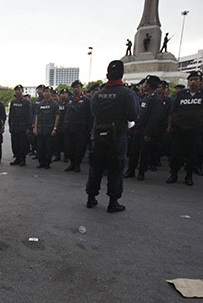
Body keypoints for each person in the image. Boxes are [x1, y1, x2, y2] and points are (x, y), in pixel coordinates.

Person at [85, 60, 138, 212]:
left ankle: (91, 198)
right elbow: (133, 115)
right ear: (122, 75)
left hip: (99, 135)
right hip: (117, 136)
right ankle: (113, 201)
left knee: (96, 168)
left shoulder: (98, 95)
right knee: (116, 169)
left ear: (107, 75)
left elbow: (93, 113)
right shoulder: (128, 94)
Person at [166, 71, 203, 186]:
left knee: (192, 154)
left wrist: (197, 122)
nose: (193, 82)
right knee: (176, 153)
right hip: (180, 129)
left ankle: (189, 176)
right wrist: (178, 124)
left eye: (196, 79)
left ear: (200, 82)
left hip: (195, 130)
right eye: (191, 80)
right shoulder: (182, 94)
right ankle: (174, 174)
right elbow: (174, 111)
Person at [126, 75, 163, 181]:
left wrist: (148, 133)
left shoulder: (156, 100)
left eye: (146, 84)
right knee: (134, 151)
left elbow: (154, 118)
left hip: (146, 131)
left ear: (150, 85)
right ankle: (131, 170)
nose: (144, 86)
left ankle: (141, 172)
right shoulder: (145, 98)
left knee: (145, 153)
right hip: (138, 129)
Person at [63, 80, 92, 173]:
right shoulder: (69, 100)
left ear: (81, 88)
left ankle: (77, 164)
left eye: (78, 87)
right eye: (74, 87)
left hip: (81, 128)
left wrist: (89, 129)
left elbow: (89, 115)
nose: (76, 89)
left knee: (80, 147)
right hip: (69, 127)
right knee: (69, 146)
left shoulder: (86, 100)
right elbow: (65, 114)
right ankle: (72, 163)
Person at [33, 86, 59, 169]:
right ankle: (41, 162)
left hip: (49, 129)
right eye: (45, 91)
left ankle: (47, 163)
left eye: (48, 91)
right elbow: (37, 116)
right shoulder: (40, 104)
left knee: (49, 147)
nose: (46, 93)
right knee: (40, 147)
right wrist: (36, 128)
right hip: (41, 129)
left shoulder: (54, 104)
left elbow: (57, 116)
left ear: (51, 93)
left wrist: (55, 128)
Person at [8, 85, 32, 166]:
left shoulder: (26, 102)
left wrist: (28, 127)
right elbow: (11, 115)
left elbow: (29, 115)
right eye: (16, 90)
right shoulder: (13, 102)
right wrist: (10, 125)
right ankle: (17, 158)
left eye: (19, 90)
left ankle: (23, 159)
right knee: (15, 144)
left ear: (22, 91)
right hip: (14, 126)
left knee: (22, 144)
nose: (18, 91)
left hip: (23, 127)